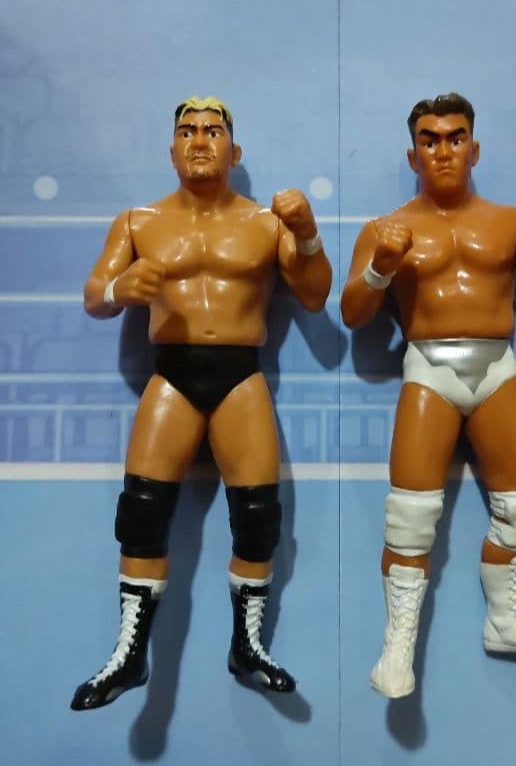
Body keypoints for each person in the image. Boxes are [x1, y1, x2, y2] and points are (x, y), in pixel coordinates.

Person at [72, 96, 332, 709]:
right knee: (141, 510)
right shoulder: (139, 221)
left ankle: (249, 644)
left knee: (259, 514)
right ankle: (130, 652)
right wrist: (121, 287)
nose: (199, 139)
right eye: (187, 130)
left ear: (233, 151)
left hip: (241, 374)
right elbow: (93, 294)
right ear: (171, 150)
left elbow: (315, 295)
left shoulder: (265, 223)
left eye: (213, 130)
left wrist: (307, 234)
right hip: (173, 373)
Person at [340, 92, 516, 699]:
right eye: (429, 140)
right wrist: (382, 266)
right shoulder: (385, 228)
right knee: (411, 517)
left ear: (474, 149)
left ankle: (505, 621)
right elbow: (353, 313)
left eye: (454, 138)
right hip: (429, 368)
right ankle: (397, 647)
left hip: (496, 365)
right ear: (413, 155)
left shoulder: (509, 223)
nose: (442, 150)